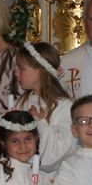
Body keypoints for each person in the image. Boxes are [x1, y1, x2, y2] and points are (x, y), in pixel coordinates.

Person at [16, 41, 75, 175]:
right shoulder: (21, 102)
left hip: (53, 178)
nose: (16, 73)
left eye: (21, 68)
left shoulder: (64, 106)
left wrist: (40, 124)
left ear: (40, 71)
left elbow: (55, 156)